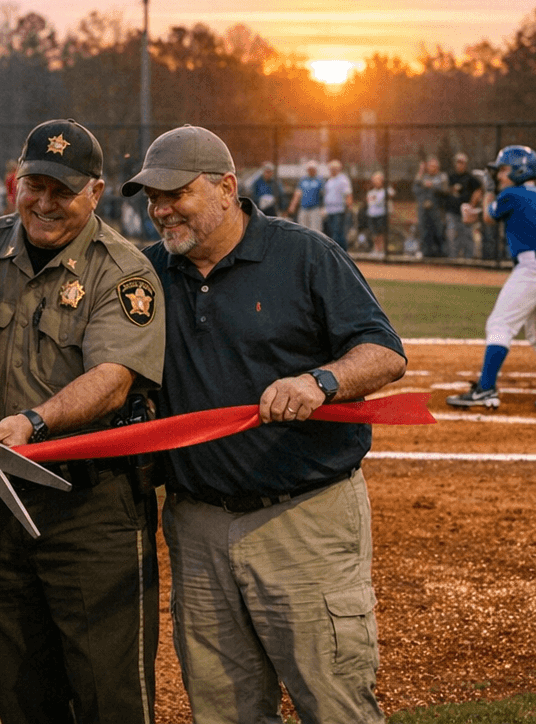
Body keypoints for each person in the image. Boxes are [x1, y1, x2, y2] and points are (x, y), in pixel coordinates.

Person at [123, 124, 405, 724]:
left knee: (333, 702)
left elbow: (384, 351)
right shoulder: (148, 274)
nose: (160, 209)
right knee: (224, 711)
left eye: (176, 193)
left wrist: (318, 382)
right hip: (196, 525)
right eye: (152, 197)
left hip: (302, 516)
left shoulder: (304, 254)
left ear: (227, 188)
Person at [0, 119, 165, 724]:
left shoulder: (122, 271)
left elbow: (114, 380)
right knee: (23, 691)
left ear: (96, 193)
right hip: (1, 503)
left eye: (63, 191)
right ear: (15, 182)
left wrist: (34, 421)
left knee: (110, 696)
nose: (45, 203)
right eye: (35, 186)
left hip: (93, 506)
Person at [448, 146, 536, 412]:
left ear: (521, 171)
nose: (498, 176)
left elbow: (489, 216)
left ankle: (485, 389)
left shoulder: (511, 193)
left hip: (532, 269)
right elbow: (511, 215)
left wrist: (487, 191)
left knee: (499, 323)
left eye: (504, 170)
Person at [445, 153, 479, 258]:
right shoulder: (450, 177)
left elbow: (478, 190)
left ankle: (469, 260)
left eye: (462, 163)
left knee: (467, 236)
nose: (460, 165)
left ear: (466, 164)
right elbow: (444, 190)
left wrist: (472, 205)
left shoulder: (470, 178)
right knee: (452, 236)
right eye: (458, 162)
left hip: (465, 213)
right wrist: (451, 190)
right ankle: (453, 259)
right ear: (455, 164)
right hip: (452, 211)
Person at [413, 157, 448, 258]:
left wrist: (432, 185)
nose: (430, 168)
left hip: (437, 209)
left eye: (433, 166)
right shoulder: (423, 176)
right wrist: (420, 170)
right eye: (429, 166)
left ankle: (442, 254)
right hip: (424, 210)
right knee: (424, 232)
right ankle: (426, 254)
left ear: (437, 167)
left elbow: (445, 190)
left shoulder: (442, 176)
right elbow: (415, 189)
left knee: (438, 231)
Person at [322, 159, 353, 249]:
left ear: (338, 169)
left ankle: (342, 253)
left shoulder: (343, 179)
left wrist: (349, 207)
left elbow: (348, 194)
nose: (331, 170)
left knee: (338, 233)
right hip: (329, 210)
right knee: (332, 233)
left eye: (334, 169)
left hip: (339, 210)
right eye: (330, 169)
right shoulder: (329, 180)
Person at [287, 160, 324, 232]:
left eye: (313, 169)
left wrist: (323, 208)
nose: (311, 171)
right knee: (303, 229)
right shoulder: (303, 180)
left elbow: (324, 195)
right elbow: (297, 194)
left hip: (315, 209)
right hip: (303, 208)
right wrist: (292, 206)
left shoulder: (320, 180)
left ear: (316, 170)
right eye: (309, 169)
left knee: (315, 230)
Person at [365, 170, 391, 256]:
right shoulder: (370, 192)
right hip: (371, 215)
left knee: (381, 233)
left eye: (378, 179)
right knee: (374, 234)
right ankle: (376, 249)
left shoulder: (386, 191)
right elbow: (370, 202)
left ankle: (382, 250)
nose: (376, 182)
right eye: (374, 180)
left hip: (382, 214)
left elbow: (391, 194)